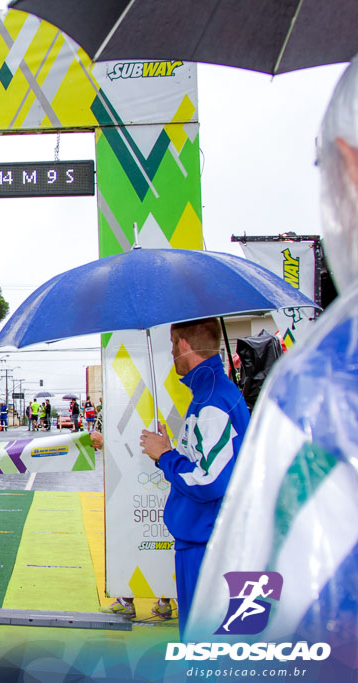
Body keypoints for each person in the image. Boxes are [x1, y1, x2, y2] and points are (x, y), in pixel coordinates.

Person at [183, 57, 358, 670]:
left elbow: (260, 607)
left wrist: (165, 458)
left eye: (323, 166)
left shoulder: (328, 380)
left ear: (350, 164)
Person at [138, 317, 250, 637]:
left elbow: (210, 481)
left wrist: (166, 455)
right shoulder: (208, 394)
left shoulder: (213, 399)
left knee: (207, 646)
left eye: (173, 345)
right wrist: (170, 452)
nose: (171, 352)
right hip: (205, 539)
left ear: (183, 344)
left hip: (209, 545)